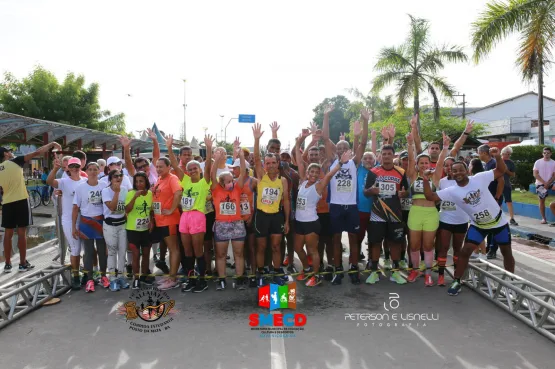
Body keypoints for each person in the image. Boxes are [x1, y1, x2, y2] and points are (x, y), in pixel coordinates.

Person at [422, 147, 514, 296]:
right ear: (451, 173)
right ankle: (457, 281)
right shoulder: (452, 191)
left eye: (461, 170)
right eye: (455, 171)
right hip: (479, 226)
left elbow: (500, 171)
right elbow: (430, 197)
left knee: (506, 253)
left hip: (498, 223)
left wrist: (497, 157)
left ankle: (511, 284)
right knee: (465, 252)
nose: (458, 173)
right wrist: (425, 179)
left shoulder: (479, 178)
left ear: (467, 171)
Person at [294, 130, 349, 286]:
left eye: (316, 172)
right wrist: (301, 140)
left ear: (319, 175)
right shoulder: (303, 182)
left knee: (313, 250)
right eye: (311, 171)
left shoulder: (319, 186)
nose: (313, 174)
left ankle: (315, 276)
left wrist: (340, 163)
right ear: (307, 173)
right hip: (299, 222)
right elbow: (299, 160)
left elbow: (329, 175)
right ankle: (305, 268)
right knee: (298, 248)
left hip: (311, 222)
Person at [323, 105, 370, 285]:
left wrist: (365, 121)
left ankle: (353, 267)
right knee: (335, 239)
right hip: (335, 206)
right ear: (336, 151)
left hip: (351, 207)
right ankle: (337, 269)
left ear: (349, 150)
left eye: (345, 148)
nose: (342, 150)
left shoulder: (354, 162)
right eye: (339, 148)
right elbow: (326, 138)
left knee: (353, 238)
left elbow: (364, 142)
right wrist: (326, 116)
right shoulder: (332, 161)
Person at [0, 143, 61, 273]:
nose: (11, 152)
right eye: (9, 151)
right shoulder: (15, 161)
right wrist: (51, 144)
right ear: (5, 154)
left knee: (8, 233)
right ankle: (22, 264)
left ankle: (8, 264)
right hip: (21, 200)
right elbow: (36, 152)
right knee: (22, 233)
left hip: (6, 203)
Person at [166, 134, 213, 293]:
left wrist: (208, 148)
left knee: (198, 250)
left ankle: (202, 281)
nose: (193, 171)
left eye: (195, 168)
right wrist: (169, 147)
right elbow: (173, 163)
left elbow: (208, 168)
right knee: (187, 251)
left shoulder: (204, 182)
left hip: (198, 216)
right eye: (190, 169)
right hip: (185, 216)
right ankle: (191, 280)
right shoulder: (184, 180)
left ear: (199, 170)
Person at [405, 129, 450, 286]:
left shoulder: (435, 176)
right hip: (415, 212)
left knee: (428, 246)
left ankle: (428, 274)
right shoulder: (412, 175)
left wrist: (445, 148)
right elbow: (410, 160)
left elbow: (441, 161)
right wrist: (410, 143)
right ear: (417, 165)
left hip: (431, 213)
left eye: (426, 162)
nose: (424, 165)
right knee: (415, 245)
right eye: (421, 163)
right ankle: (415, 271)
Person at [364, 143, 409, 285]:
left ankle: (395, 273)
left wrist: (404, 193)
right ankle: (374, 272)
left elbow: (406, 191)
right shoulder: (373, 171)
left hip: (395, 213)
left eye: (389, 154)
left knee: (395, 243)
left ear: (393, 155)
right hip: (377, 213)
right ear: (380, 156)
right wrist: (372, 190)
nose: (387, 156)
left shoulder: (401, 171)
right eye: (384, 154)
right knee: (375, 243)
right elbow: (365, 192)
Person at [252, 123, 291, 286]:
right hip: (261, 216)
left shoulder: (283, 181)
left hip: (276, 216)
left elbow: (286, 200)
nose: (270, 166)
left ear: (278, 163)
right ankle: (261, 273)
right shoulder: (261, 176)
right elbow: (255, 158)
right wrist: (256, 140)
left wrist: (287, 220)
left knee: (276, 246)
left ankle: (276, 272)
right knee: (261, 247)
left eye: (272, 163)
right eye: (267, 163)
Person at [46, 157, 87, 289]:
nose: (75, 168)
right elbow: (49, 181)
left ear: (81, 167)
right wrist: (55, 169)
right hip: (69, 220)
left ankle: (87, 274)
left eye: (77, 165)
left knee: (87, 249)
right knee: (75, 249)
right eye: (72, 166)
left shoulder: (85, 181)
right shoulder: (63, 182)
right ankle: (76, 277)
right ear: (68, 168)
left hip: (85, 219)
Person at [210, 148, 247, 290]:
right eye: (227, 181)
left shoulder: (237, 188)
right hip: (221, 225)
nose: (231, 183)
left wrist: (242, 158)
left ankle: (239, 279)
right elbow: (212, 175)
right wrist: (217, 160)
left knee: (238, 253)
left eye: (232, 180)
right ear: (221, 183)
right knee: (221, 254)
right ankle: (221, 279)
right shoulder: (216, 189)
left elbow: (243, 173)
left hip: (237, 224)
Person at [72, 162, 109, 291]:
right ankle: (89, 279)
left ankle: (104, 276)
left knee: (102, 251)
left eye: (95, 169)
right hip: (86, 222)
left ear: (99, 171)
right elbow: (75, 208)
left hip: (100, 221)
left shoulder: (104, 185)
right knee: (88, 252)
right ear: (86, 171)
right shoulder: (80, 188)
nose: (93, 172)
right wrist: (73, 227)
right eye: (90, 169)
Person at [150, 154, 184, 291]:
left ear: (169, 167)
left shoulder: (172, 178)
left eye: (161, 167)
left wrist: (171, 210)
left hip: (169, 220)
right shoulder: (159, 179)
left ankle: (173, 279)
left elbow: (178, 194)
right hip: (160, 220)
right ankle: (171, 275)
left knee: (173, 249)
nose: (158, 169)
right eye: (157, 166)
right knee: (170, 248)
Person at [435, 155, 469, 286]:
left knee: (457, 249)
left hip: (461, 220)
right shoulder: (442, 181)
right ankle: (441, 276)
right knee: (443, 248)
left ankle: (456, 276)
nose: (449, 168)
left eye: (451, 165)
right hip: (445, 219)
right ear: (443, 167)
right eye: (446, 165)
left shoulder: (464, 181)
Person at [230, 157, 258, 287]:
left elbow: (258, 201)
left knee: (251, 247)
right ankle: (244, 271)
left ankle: (253, 272)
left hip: (250, 219)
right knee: (241, 249)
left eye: (235, 168)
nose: (233, 171)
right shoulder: (233, 182)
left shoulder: (253, 182)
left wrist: (252, 216)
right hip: (238, 220)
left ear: (243, 169)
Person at [125, 172, 155, 289]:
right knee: (136, 255)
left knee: (147, 254)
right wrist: (135, 197)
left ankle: (144, 276)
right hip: (133, 229)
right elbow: (127, 210)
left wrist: (152, 221)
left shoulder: (150, 194)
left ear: (145, 182)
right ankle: (136, 279)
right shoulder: (130, 193)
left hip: (146, 230)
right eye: (136, 182)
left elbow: (151, 210)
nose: (138, 184)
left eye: (141, 181)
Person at [102, 169, 129, 292]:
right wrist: (116, 193)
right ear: (110, 179)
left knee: (122, 252)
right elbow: (112, 207)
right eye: (115, 176)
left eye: (120, 176)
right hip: (110, 225)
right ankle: (112, 279)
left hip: (122, 224)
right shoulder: (106, 191)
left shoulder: (125, 190)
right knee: (112, 252)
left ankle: (121, 277)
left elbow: (126, 208)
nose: (118, 178)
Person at [478, 144, 504, 259]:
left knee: (494, 224)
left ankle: (493, 248)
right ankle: (489, 246)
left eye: (479, 152)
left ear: (484, 153)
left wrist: (497, 197)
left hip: (494, 199)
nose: (478, 155)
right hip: (488, 199)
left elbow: (501, 181)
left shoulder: (493, 163)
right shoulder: (487, 164)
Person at [533, 147, 555, 224]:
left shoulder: (553, 163)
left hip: (550, 183)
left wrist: (548, 183)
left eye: (548, 153)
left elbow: (554, 175)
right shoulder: (538, 162)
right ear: (542, 153)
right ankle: (544, 218)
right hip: (540, 184)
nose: (546, 154)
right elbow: (535, 174)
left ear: (551, 154)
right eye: (544, 153)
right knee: (542, 200)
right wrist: (544, 182)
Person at [501, 146, 518, 226]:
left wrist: (506, 171)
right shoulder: (498, 161)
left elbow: (513, 174)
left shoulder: (510, 163)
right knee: (497, 201)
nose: (508, 156)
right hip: (497, 184)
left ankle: (512, 218)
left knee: (509, 201)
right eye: (506, 154)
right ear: (502, 153)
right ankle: (499, 217)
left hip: (506, 184)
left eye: (509, 154)